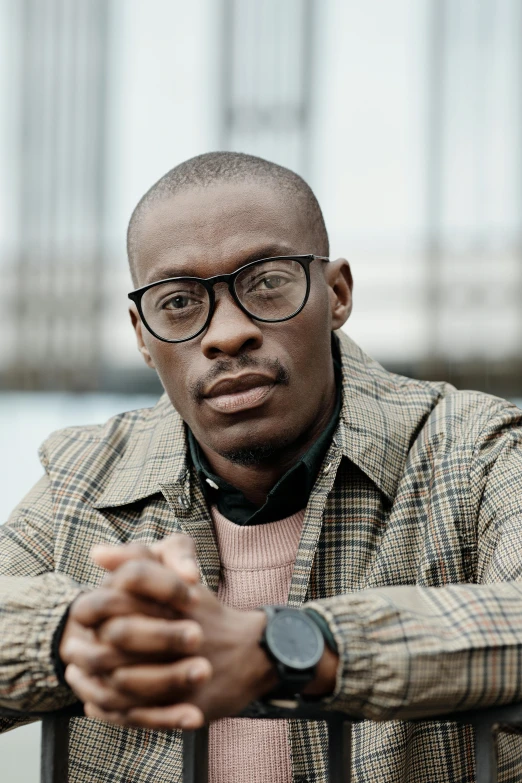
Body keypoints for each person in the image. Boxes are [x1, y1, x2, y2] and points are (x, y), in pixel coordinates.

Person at [1, 151, 522, 783]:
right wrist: (69, 635)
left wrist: (279, 649)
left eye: (267, 281)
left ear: (336, 294)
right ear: (141, 335)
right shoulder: (84, 478)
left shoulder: (476, 451)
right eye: (178, 303)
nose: (226, 333)